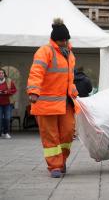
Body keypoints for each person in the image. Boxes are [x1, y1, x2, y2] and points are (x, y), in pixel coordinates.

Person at [26, 18, 78, 178]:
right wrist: (33, 91)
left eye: (65, 39)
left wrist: (74, 91)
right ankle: (55, 166)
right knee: (51, 136)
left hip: (66, 102)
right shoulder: (45, 51)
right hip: (46, 103)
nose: (63, 42)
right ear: (54, 39)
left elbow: (69, 78)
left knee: (68, 133)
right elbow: (36, 72)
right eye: (60, 40)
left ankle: (62, 160)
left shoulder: (70, 55)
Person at [0, 69, 16, 139]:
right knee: (0, 119)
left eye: (2, 73)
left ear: (4, 74)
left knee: (7, 118)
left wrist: (7, 92)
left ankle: (5, 132)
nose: (1, 74)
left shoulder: (9, 81)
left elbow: (14, 90)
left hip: (8, 103)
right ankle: (0, 133)